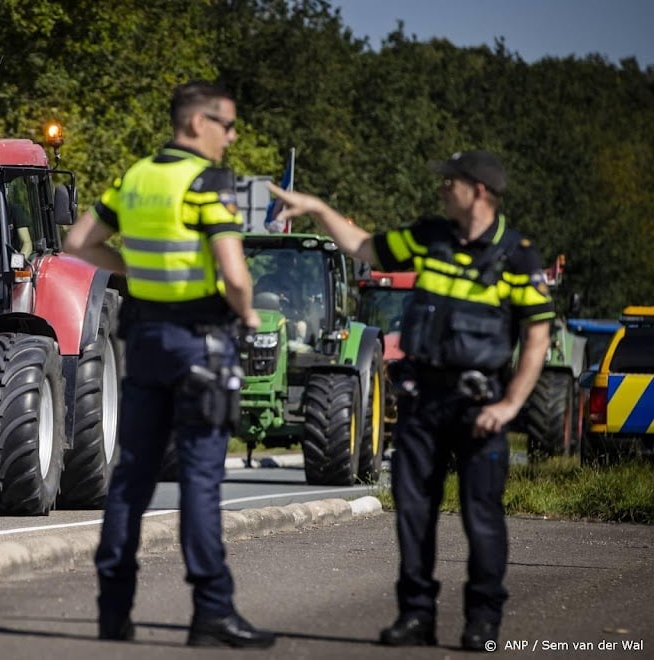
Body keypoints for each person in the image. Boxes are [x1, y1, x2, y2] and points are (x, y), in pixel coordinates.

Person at [267, 150, 554, 652]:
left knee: (480, 516)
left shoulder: (517, 256)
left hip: (479, 406)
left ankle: (483, 621)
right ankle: (416, 614)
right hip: (423, 402)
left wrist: (510, 406)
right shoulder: (428, 236)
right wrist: (316, 206)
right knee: (413, 513)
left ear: (479, 190)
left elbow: (537, 336)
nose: (442, 188)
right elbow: (361, 245)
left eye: (450, 181)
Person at [63, 80, 274, 649]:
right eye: (226, 125)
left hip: (146, 343)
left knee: (131, 478)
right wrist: (248, 315)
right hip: (200, 343)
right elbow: (233, 275)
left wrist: (137, 270)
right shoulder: (208, 182)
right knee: (201, 481)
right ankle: (211, 612)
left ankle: (113, 612)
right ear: (195, 124)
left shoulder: (135, 177)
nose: (232, 137)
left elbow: (79, 241)